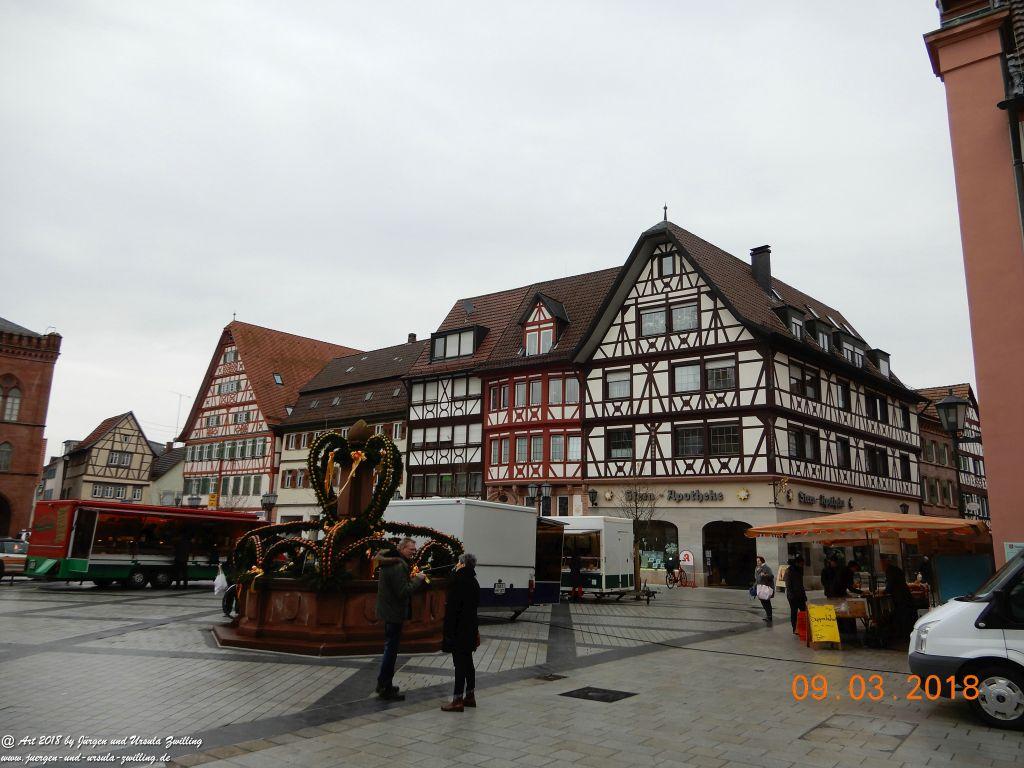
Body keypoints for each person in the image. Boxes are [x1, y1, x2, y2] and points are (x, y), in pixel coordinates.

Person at [375, 537, 427, 701]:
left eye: (414, 549)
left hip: (389, 610)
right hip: (394, 612)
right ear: (402, 548)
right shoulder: (398, 565)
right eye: (411, 549)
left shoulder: (390, 561)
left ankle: (383, 683)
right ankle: (385, 687)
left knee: (389, 648)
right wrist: (418, 579)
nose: (413, 552)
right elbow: (403, 591)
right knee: (391, 651)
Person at [441, 553, 481, 712]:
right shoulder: (474, 582)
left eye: (458, 562)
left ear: (463, 564)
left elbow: (452, 609)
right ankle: (470, 695)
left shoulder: (457, 581)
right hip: (470, 627)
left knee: (459, 664)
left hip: (458, 629)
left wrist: (448, 632)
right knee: (468, 662)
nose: (456, 565)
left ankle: (457, 700)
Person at [883, 557, 917, 648]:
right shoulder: (895, 569)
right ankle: (906, 633)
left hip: (900, 597)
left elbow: (890, 584)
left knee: (903, 615)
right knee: (905, 615)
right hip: (904, 595)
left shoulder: (890, 571)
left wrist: (885, 591)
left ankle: (904, 634)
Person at [784, 555, 808, 634]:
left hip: (800, 594)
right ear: (797, 563)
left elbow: (801, 584)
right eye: (801, 563)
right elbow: (788, 584)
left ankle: (804, 627)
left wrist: (804, 595)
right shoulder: (789, 570)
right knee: (794, 612)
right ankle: (795, 628)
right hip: (792, 596)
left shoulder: (800, 570)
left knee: (803, 611)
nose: (802, 565)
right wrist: (792, 595)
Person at [753, 556, 774, 624]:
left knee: (767, 602)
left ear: (762, 561)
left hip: (765, 587)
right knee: (763, 602)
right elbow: (757, 579)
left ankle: (769, 616)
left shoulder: (766, 568)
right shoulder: (757, 568)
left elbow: (771, 576)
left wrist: (765, 575)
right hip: (760, 587)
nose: (757, 562)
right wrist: (754, 586)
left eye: (759, 561)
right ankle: (768, 615)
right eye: (757, 561)